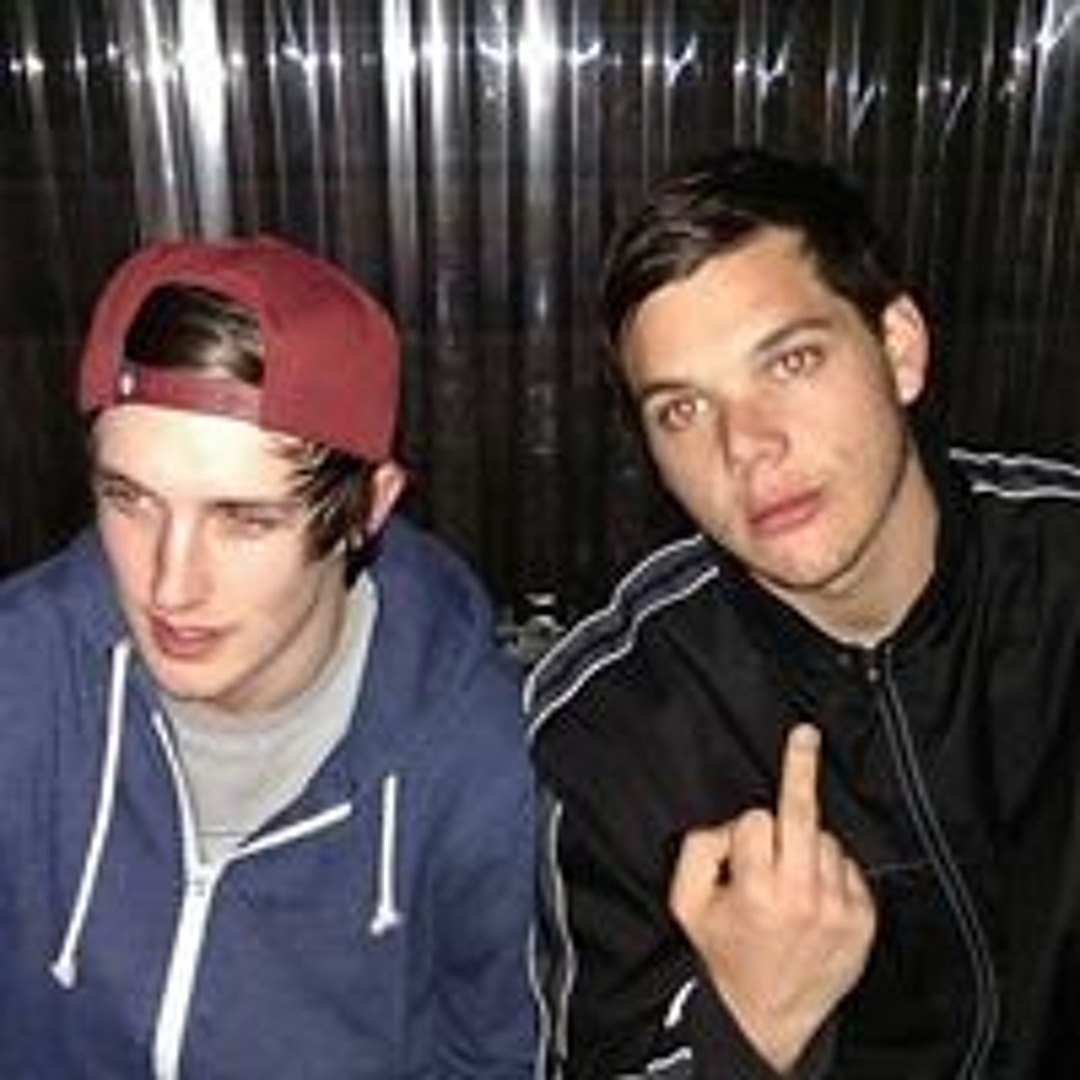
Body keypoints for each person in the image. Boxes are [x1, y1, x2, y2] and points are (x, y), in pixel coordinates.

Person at [527, 146, 1080, 1078]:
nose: (747, 445)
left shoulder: (1062, 579)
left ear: (898, 349)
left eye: (790, 360)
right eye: (682, 410)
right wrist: (747, 1027)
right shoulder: (614, 729)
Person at [0, 235, 537, 1077]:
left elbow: (488, 1060)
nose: (170, 584)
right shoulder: (22, 674)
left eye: (245, 520)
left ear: (368, 508)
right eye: (130, 500)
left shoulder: (470, 757)